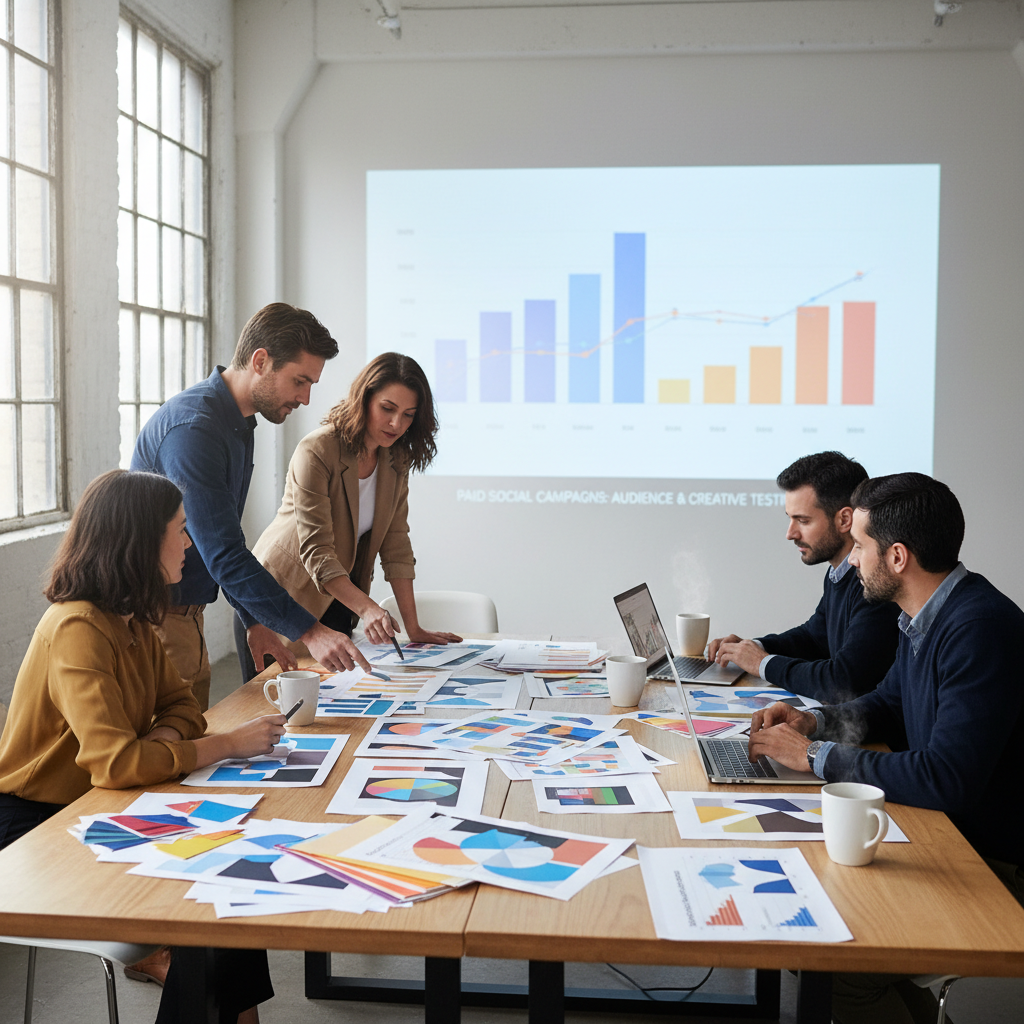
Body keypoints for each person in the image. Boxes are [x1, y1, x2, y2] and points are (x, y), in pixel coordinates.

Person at [0, 469, 286, 1024]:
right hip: (37, 829)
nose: (189, 543)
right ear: (140, 541)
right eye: (179, 530)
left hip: (102, 806)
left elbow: (182, 707)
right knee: (207, 895)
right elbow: (116, 764)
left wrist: (159, 740)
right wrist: (227, 744)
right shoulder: (77, 627)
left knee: (232, 872)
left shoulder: (128, 618)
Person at [746, 472, 1024, 1024]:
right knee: (806, 934)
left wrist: (814, 758)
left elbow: (946, 777)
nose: (852, 560)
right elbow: (887, 702)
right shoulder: (923, 613)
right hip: (945, 834)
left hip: (989, 861)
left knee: (833, 963)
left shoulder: (978, 628)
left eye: (861, 546)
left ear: (896, 557)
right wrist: (813, 722)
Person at [131, 302, 371, 712]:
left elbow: (221, 538)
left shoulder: (237, 423)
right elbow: (223, 552)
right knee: (172, 739)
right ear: (260, 362)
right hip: (156, 617)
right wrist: (311, 632)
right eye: (299, 381)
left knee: (192, 730)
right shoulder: (195, 429)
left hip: (185, 615)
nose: (305, 398)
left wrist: (255, 620)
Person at [249, 352, 461, 680]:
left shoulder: (396, 459)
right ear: (363, 400)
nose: (396, 424)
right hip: (280, 598)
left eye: (408, 415)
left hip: (337, 600)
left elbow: (396, 544)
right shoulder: (317, 450)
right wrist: (368, 607)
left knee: (338, 699)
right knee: (274, 703)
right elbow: (318, 552)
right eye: (387, 409)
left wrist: (414, 628)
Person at [708, 451, 901, 703]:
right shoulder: (839, 572)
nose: (790, 533)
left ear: (845, 519)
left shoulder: (875, 585)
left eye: (803, 520)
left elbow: (844, 682)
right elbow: (814, 638)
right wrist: (751, 648)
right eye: (790, 519)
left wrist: (762, 663)